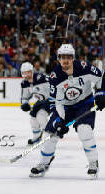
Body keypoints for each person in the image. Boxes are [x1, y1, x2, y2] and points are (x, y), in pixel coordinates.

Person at [30, 44, 105, 179]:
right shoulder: (55, 77)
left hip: (84, 103)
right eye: (62, 57)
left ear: (73, 58)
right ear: (58, 59)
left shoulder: (84, 67)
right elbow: (55, 103)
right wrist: (59, 121)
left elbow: (101, 77)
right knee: (50, 133)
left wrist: (100, 94)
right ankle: (44, 163)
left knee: (84, 130)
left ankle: (93, 163)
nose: (65, 60)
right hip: (64, 107)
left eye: (68, 57)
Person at [19, 62, 53, 145]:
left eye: (27, 72)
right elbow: (25, 97)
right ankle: (37, 136)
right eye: (24, 73)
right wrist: (24, 104)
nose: (26, 75)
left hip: (51, 99)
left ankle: (49, 135)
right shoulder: (24, 83)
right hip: (41, 101)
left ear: (31, 71)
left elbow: (55, 84)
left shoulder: (41, 77)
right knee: (33, 118)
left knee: (41, 116)